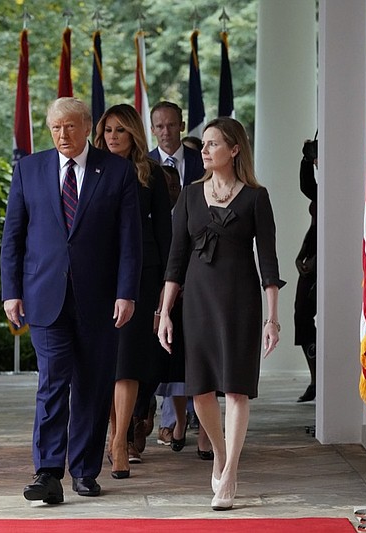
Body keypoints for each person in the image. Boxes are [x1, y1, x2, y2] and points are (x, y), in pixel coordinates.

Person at [1, 97, 142, 504]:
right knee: (51, 384)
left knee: (92, 388)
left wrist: (126, 292)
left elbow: (129, 241)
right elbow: (13, 237)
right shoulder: (29, 169)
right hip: (44, 296)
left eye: (70, 127)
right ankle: (47, 472)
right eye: (55, 128)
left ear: (86, 126)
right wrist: (11, 291)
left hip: (100, 300)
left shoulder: (116, 172)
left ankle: (84, 470)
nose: (62, 135)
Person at [157, 117, 285, 511]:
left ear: (234, 150)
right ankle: (219, 452)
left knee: (236, 388)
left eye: (214, 144)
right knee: (200, 390)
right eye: (205, 144)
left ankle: (230, 472)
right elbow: (175, 260)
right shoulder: (190, 197)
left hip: (240, 302)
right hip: (197, 303)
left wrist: (272, 318)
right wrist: (164, 312)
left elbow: (268, 262)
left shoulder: (255, 198)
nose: (206, 150)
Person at [93, 104, 172, 477]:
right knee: (105, 361)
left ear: (134, 135)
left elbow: (164, 234)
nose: (112, 137)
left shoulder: (151, 174)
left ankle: (120, 440)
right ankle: (115, 433)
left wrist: (167, 286)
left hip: (142, 276)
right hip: (98, 276)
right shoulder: (90, 169)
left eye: (120, 131)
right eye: (107, 130)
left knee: (128, 361)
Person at [147, 102, 210, 458]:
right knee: (166, 340)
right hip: (160, 261)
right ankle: (172, 415)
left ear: (182, 125)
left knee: (192, 338)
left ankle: (192, 415)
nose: (167, 131)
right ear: (152, 128)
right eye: (160, 126)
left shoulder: (202, 161)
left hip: (199, 259)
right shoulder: (144, 165)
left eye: (172, 125)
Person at [294, 138, 318, 402]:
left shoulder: (339, 187)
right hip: (310, 261)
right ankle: (315, 379)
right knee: (301, 317)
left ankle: (322, 380)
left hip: (322, 262)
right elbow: (307, 186)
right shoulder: (322, 190)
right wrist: (304, 161)